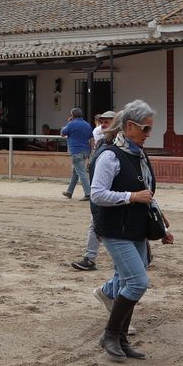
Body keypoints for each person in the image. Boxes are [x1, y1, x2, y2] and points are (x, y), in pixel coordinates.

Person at [87, 100, 170, 361]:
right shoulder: (110, 155)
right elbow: (97, 194)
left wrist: (160, 220)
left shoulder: (138, 154)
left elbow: (146, 191)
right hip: (115, 229)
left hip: (135, 228)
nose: (149, 135)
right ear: (130, 126)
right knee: (137, 282)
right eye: (145, 129)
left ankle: (121, 339)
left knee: (127, 281)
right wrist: (131, 197)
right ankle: (109, 335)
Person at [68, 110, 115, 271]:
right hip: (102, 194)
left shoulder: (123, 145)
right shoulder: (102, 143)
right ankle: (89, 258)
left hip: (117, 194)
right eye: (102, 121)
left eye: (107, 121)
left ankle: (144, 256)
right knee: (95, 223)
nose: (103, 124)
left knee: (129, 226)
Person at [58, 108, 93, 199]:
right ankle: (69, 191)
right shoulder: (87, 125)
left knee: (81, 173)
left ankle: (88, 193)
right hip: (85, 151)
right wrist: (90, 151)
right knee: (76, 172)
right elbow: (92, 139)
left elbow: (62, 134)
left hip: (76, 151)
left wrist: (68, 123)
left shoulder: (71, 124)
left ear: (72, 115)